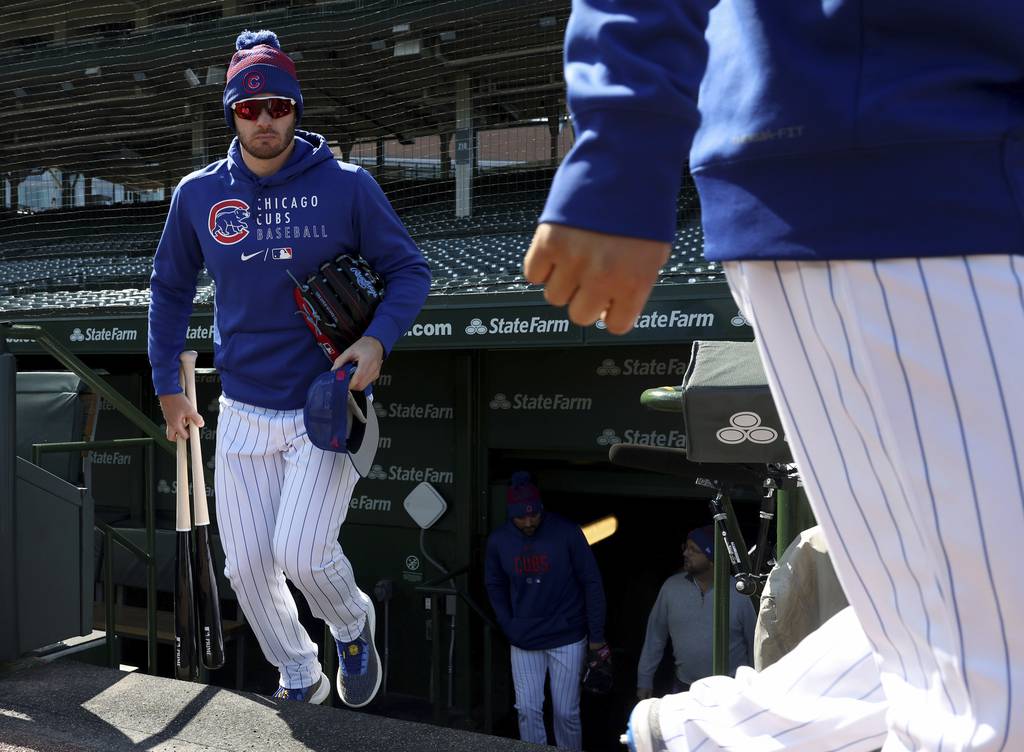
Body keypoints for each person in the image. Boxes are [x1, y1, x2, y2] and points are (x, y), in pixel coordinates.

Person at [524, 2, 1024, 751]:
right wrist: (623, 138)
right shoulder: (618, 569)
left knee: (955, 630)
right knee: (998, 701)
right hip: (895, 152)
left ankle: (692, 736)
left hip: (924, 150)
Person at [148, 29, 431, 706]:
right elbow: (169, 288)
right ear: (231, 115)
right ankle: (300, 671)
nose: (265, 119)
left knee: (303, 554)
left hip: (324, 400)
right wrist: (166, 385)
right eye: (250, 109)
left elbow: (410, 271)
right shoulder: (197, 195)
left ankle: (352, 626)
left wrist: (378, 342)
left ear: (296, 108)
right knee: (245, 566)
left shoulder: (346, 186)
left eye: (277, 105)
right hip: (243, 405)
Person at [485, 471, 610, 751]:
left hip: (567, 635)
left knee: (566, 713)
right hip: (524, 637)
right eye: (521, 517)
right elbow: (494, 583)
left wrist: (597, 635)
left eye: (534, 515)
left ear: (541, 508)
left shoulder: (566, 532)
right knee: (528, 710)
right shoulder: (499, 541)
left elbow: (591, 581)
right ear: (510, 514)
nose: (529, 522)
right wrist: (508, 623)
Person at [636, 526, 754, 700]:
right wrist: (644, 680)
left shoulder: (740, 594)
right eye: (686, 547)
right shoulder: (671, 588)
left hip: (731, 692)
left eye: (694, 550)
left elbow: (754, 642)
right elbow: (655, 637)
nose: (685, 553)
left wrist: (756, 687)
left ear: (712, 559)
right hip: (684, 689)